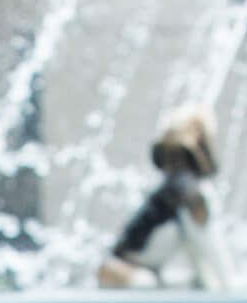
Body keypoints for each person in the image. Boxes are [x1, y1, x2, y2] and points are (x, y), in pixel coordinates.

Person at [98, 104, 233, 291]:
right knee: (147, 284)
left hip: (139, 271)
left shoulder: (181, 191)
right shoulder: (188, 194)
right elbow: (208, 245)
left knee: (190, 283)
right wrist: (229, 285)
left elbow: (197, 248)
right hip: (122, 271)